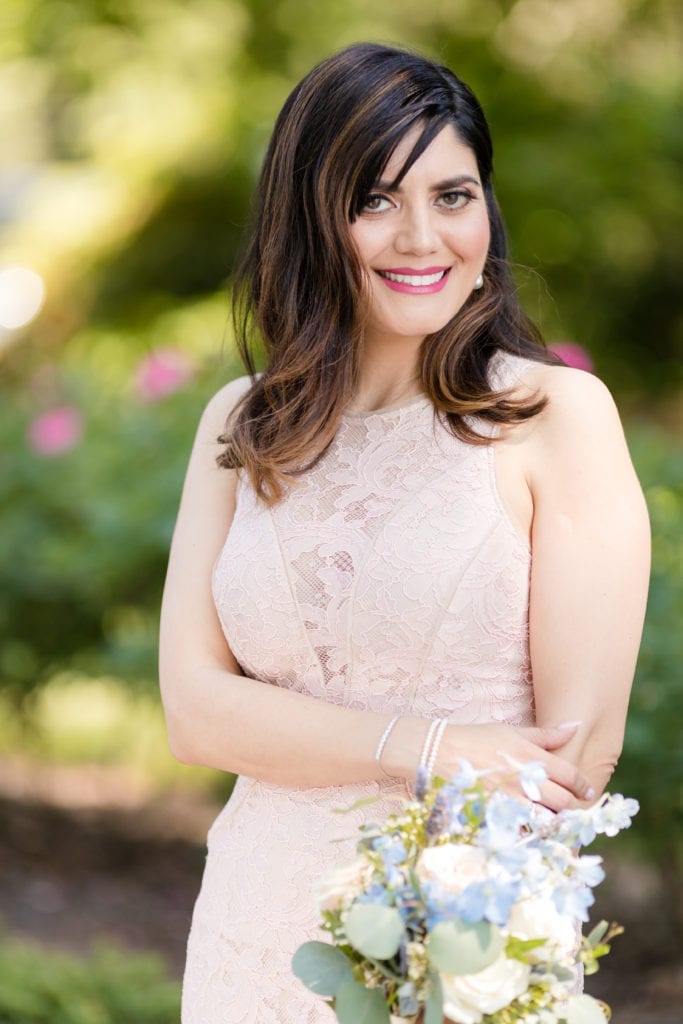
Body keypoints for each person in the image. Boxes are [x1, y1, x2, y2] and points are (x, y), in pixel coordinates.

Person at [159, 42, 650, 1024]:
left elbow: (569, 760)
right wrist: (435, 744)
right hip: (246, 931)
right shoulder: (241, 422)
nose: (421, 237)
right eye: (374, 199)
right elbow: (194, 712)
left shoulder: (553, 415)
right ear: (311, 215)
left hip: (457, 936)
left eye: (452, 195)